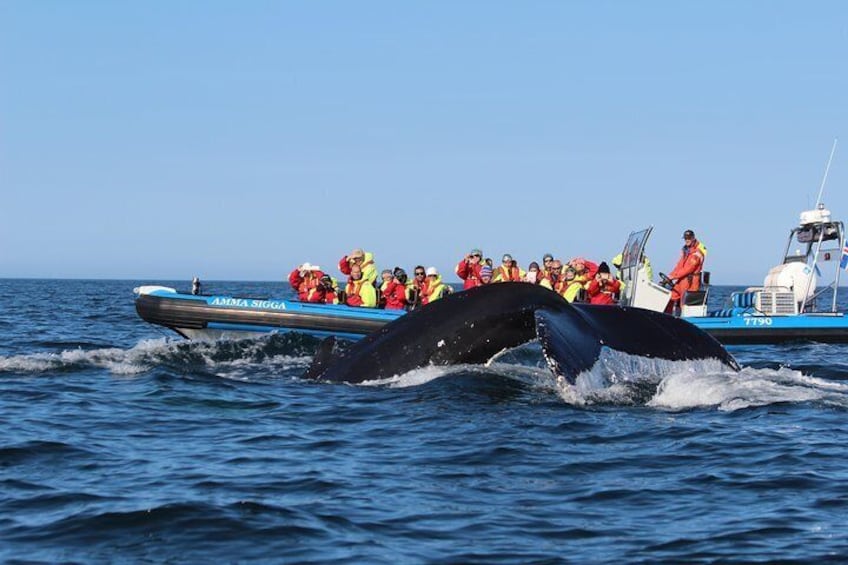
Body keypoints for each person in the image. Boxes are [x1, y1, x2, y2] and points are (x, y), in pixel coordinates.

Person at [664, 229, 705, 314]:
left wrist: (673, 276)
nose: (687, 240)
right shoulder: (685, 251)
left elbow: (688, 269)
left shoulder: (697, 253)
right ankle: (667, 316)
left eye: (689, 238)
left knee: (684, 302)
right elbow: (679, 265)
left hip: (691, 281)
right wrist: (670, 275)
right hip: (681, 280)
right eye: (685, 238)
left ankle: (683, 319)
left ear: (693, 238)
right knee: (671, 297)